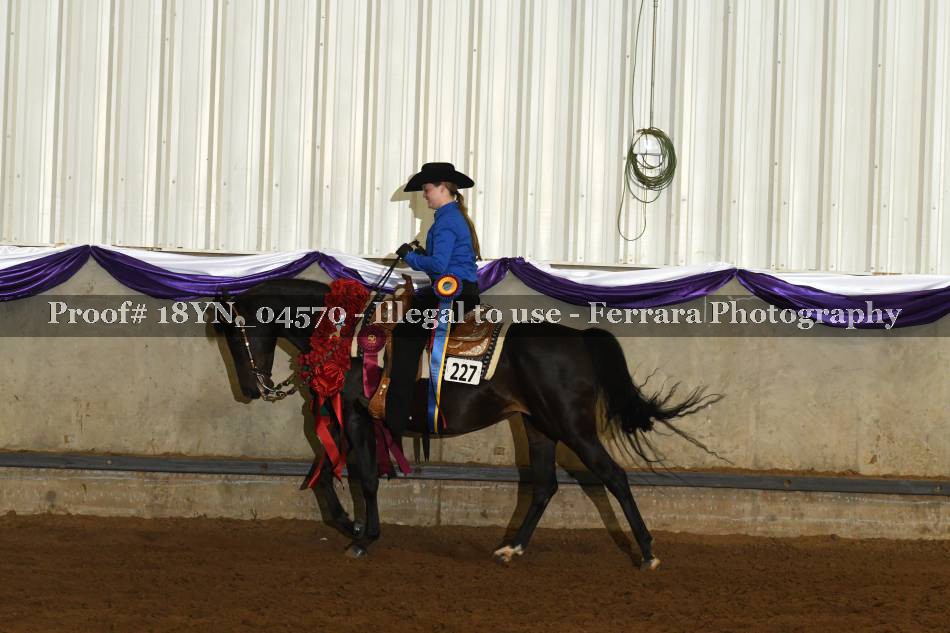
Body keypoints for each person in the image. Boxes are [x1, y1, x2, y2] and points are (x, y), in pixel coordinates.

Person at [385, 162, 481, 440]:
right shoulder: (453, 217)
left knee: (404, 335)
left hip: (453, 294)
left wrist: (410, 256)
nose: (424, 196)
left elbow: (439, 266)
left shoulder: (446, 221)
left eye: (427, 190)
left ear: (442, 188)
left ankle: (396, 417)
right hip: (461, 290)